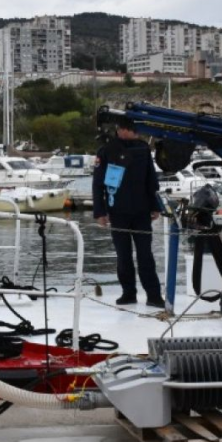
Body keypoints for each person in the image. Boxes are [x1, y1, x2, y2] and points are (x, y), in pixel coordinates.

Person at [92, 116, 164, 308]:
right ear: (122, 130)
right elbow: (98, 184)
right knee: (123, 256)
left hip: (141, 212)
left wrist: (155, 206)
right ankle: (128, 293)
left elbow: (151, 179)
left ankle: (154, 295)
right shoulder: (106, 151)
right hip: (118, 212)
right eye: (133, 130)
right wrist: (100, 212)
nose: (136, 133)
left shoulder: (143, 149)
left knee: (145, 255)